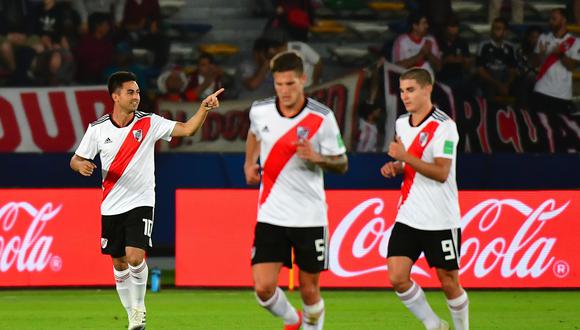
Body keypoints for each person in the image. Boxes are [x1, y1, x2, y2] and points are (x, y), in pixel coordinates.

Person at [70, 71, 223, 330]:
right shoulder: (98, 129)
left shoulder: (149, 123)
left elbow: (187, 129)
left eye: (138, 92)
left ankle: (140, 307)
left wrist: (203, 109)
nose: (136, 97)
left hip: (141, 201)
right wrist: (81, 165)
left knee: (134, 256)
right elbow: (76, 158)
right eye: (130, 92)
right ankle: (132, 314)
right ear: (115, 96)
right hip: (110, 205)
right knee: (118, 262)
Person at [244, 51, 348, 330]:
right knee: (264, 288)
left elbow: (342, 162)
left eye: (290, 83)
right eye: (279, 84)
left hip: (310, 216)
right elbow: (254, 133)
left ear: (304, 79)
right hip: (271, 214)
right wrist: (249, 162)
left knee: (309, 289)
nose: (284, 90)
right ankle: (292, 320)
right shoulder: (260, 110)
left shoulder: (321, 117)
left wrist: (319, 158)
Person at [380, 67, 469, 330]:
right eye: (402, 91)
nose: (405, 96)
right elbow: (409, 164)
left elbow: (441, 172)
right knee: (397, 276)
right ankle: (434, 324)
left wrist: (404, 158)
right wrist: (396, 166)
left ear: (427, 89)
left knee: (448, 281)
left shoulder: (444, 126)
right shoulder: (401, 123)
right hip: (409, 214)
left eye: (411, 90)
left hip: (440, 218)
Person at [531, 8, 580, 116]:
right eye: (550, 19)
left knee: (558, 130)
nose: (550, 21)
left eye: (554, 19)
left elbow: (572, 67)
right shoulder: (543, 38)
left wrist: (560, 54)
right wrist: (540, 54)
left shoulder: (576, 42)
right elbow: (534, 64)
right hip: (541, 89)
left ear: (564, 20)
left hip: (562, 94)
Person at [475, 17, 517, 102]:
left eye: (498, 29)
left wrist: (507, 84)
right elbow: (480, 70)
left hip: (504, 79)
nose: (495, 31)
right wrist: (497, 84)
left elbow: (513, 69)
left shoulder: (511, 47)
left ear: (505, 32)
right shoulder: (483, 46)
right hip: (489, 80)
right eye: (494, 28)